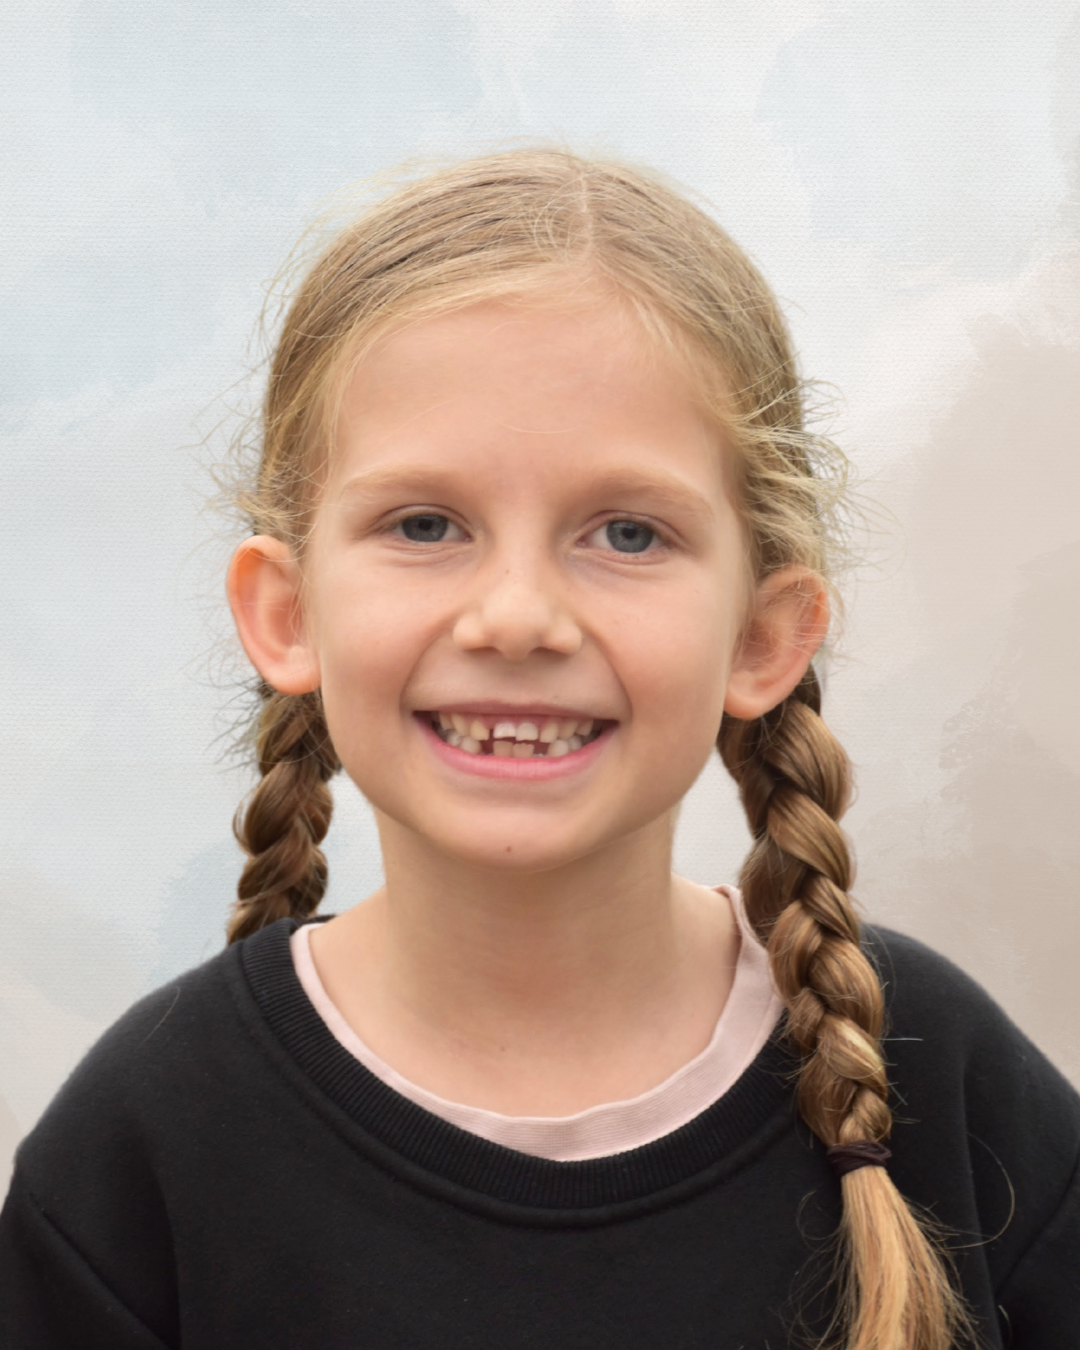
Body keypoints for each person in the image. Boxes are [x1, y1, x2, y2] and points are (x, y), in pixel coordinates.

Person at [1, 149, 1077, 1350]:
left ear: (763, 635)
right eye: (425, 524)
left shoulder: (936, 1076)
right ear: (287, 613)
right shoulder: (141, 1149)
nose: (517, 618)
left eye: (628, 533)